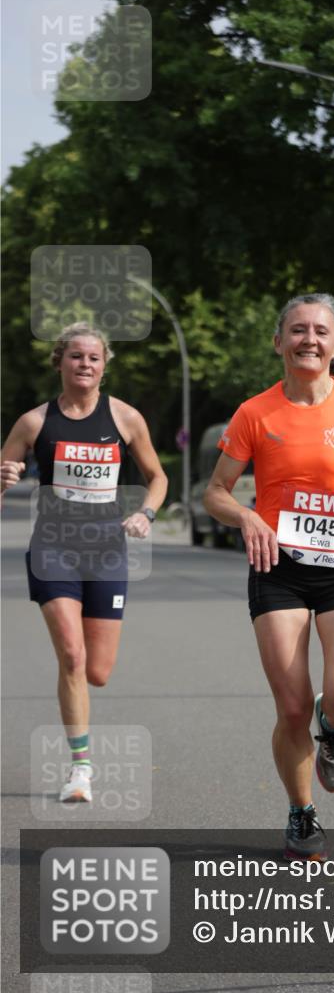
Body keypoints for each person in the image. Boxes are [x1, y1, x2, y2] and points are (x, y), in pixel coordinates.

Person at [204, 293, 334, 860]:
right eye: (297, 330)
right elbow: (214, 492)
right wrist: (246, 515)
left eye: (321, 332)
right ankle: (301, 814)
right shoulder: (255, 413)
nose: (309, 340)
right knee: (290, 707)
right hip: (279, 571)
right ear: (279, 342)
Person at [0, 323, 167, 803]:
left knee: (97, 671)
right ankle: (81, 768)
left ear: (104, 365)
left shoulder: (126, 418)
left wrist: (146, 513)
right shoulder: (34, 423)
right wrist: (4, 474)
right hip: (53, 549)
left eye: (94, 358)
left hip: (107, 551)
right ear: (60, 362)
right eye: (76, 357)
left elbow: (157, 477)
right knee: (71, 656)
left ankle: (81, 752)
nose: (86, 365)